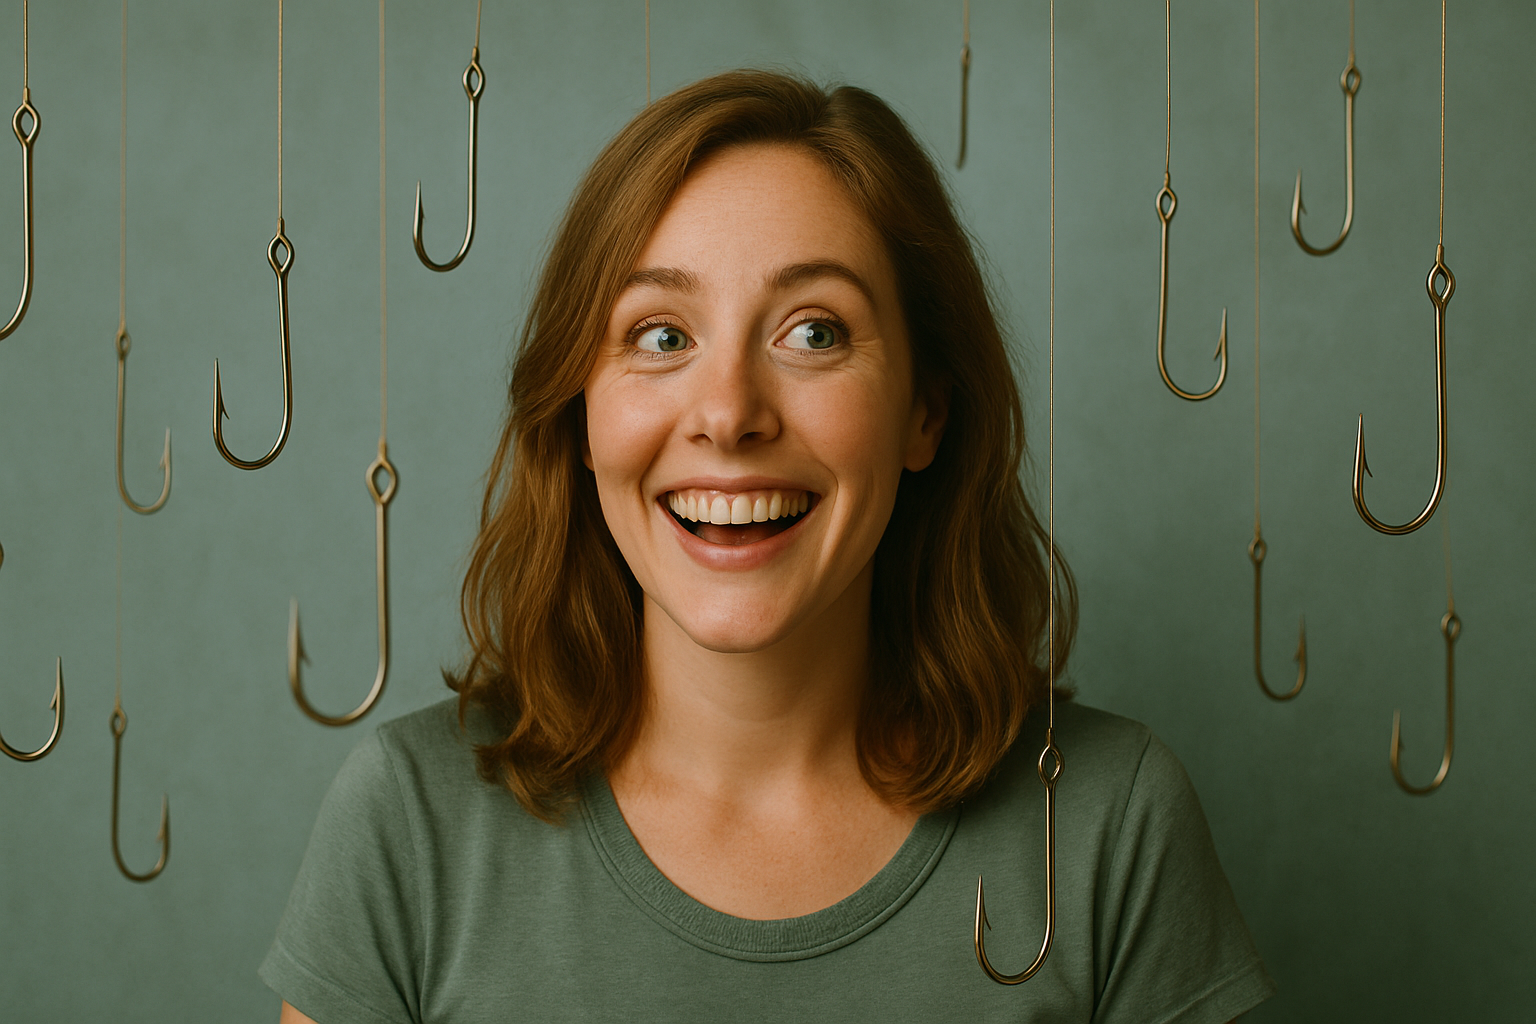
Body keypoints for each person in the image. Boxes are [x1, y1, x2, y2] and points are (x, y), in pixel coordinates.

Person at [261, 70, 1274, 1023]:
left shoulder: (1111, 824)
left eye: (813, 332)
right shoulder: (410, 822)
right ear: (579, 414)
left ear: (926, 411)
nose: (730, 413)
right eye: (661, 335)